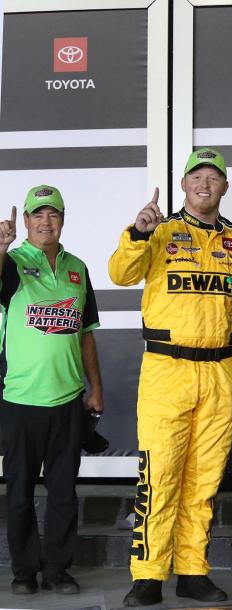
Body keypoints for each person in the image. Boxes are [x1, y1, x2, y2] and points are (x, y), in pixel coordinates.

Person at [109, 148, 232, 606]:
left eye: (214, 178)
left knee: (205, 480)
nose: (205, 185)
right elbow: (119, 273)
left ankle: (193, 570)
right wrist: (138, 232)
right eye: (197, 177)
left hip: (221, 371)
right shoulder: (159, 230)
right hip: (166, 369)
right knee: (160, 476)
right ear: (184, 186)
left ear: (225, 187)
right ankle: (148, 575)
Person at [0, 186, 102, 596]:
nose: (46, 222)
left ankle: (58, 569)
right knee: (20, 493)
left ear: (63, 219)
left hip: (67, 401)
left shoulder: (77, 267)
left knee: (64, 493)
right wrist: (1, 247)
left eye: (53, 214)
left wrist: (96, 388)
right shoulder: (14, 263)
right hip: (20, 401)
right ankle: (24, 572)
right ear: (25, 221)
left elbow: (87, 333)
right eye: (37, 215)